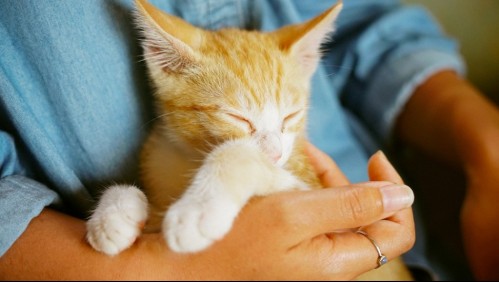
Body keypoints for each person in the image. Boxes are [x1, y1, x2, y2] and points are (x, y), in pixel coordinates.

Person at [0, 0, 497, 280]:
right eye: (240, 120)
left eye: (290, 120)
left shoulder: (285, 104)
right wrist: (136, 244)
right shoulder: (163, 138)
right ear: (165, 64)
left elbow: (370, 27)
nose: (277, 149)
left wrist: (488, 146)